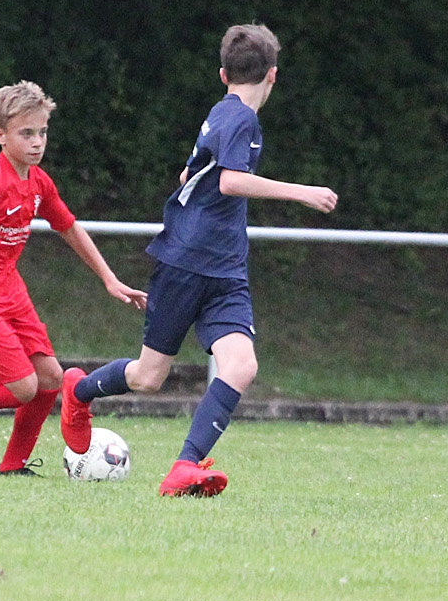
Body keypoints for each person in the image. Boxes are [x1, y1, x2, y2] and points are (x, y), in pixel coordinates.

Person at [59, 24, 337, 497]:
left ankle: (185, 466)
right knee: (149, 376)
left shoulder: (221, 113)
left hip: (226, 269)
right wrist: (302, 192)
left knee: (241, 365)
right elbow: (228, 181)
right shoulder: (241, 121)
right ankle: (78, 391)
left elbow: (197, 170)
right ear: (273, 75)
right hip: (186, 262)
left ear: (223, 73)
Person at [0, 80, 147, 474]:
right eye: (26, 133)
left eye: (43, 132)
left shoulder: (37, 181)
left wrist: (109, 278)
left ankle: (13, 465)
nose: (37, 142)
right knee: (23, 388)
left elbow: (68, 226)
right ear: (0, 136)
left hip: (11, 294)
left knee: (50, 378)